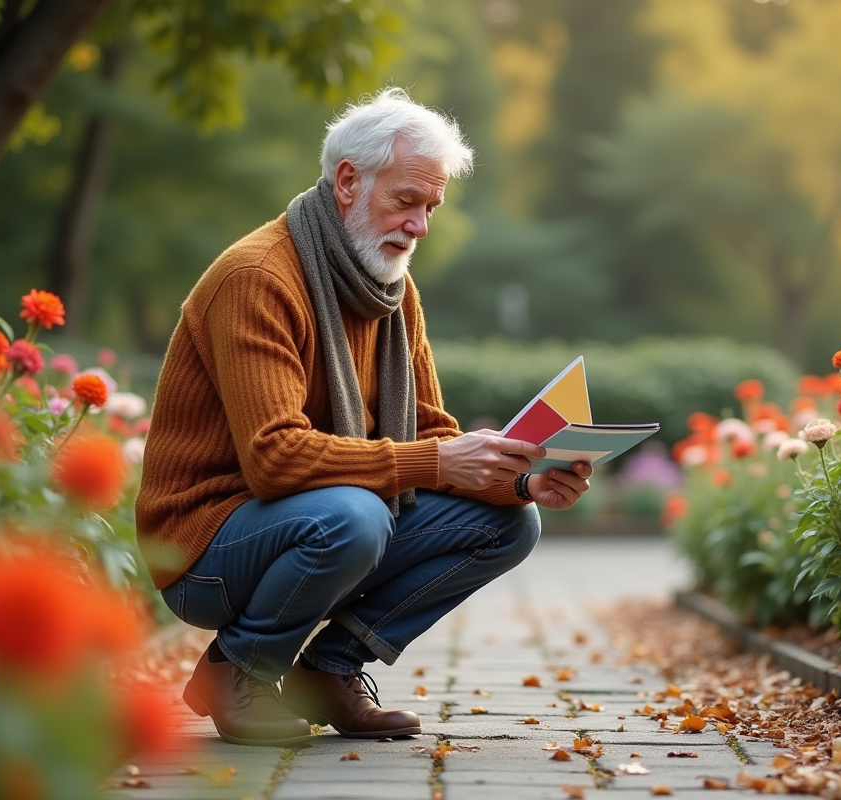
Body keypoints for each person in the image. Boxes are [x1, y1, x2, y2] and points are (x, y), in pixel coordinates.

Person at [135, 88, 593, 747]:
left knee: (510, 524)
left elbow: (431, 435)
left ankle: (329, 669)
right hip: (202, 548)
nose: (420, 226)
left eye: (431, 207)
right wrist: (437, 461)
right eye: (406, 201)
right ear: (348, 181)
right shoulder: (257, 277)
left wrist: (520, 478)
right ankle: (237, 669)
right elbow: (274, 459)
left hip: (316, 523)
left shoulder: (392, 291)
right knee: (356, 515)